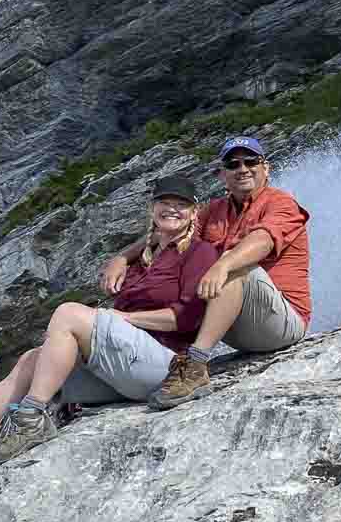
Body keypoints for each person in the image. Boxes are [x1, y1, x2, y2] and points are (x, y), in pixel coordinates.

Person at [0, 174, 218, 475]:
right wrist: (122, 260)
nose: (173, 208)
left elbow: (185, 318)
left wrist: (121, 318)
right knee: (34, 357)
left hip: (167, 368)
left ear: (194, 213)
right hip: (127, 366)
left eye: (182, 204)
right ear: (152, 209)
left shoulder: (199, 252)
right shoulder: (140, 259)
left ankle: (31, 418)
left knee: (69, 312)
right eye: (165, 201)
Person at [100, 135, 312, 409]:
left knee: (236, 266)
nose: (243, 168)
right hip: (231, 323)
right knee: (177, 267)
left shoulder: (281, 203)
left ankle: (195, 365)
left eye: (251, 161)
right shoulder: (214, 210)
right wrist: (122, 258)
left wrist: (223, 264)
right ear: (222, 174)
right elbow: (173, 231)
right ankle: (144, 365)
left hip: (280, 323)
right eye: (233, 164)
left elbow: (263, 240)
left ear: (266, 168)